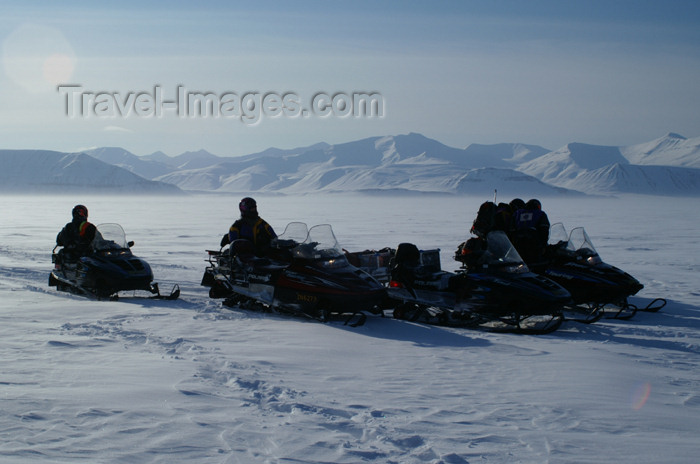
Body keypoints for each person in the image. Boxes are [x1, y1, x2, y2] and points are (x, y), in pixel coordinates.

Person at [510, 198, 550, 264]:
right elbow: (544, 230)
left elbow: (511, 229)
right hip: (534, 245)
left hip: (517, 244)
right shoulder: (541, 214)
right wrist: (543, 245)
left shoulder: (517, 213)